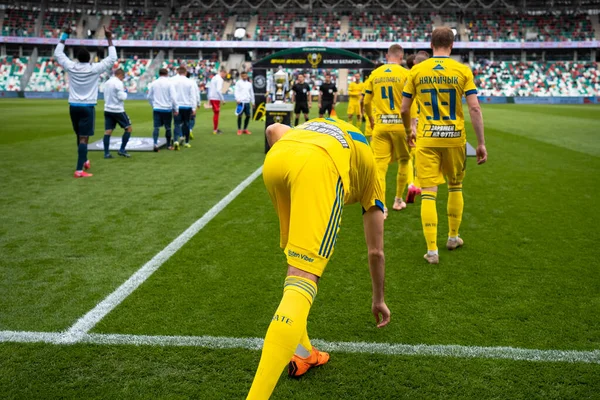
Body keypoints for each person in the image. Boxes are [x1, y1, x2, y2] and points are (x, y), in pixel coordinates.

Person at [247, 117, 391, 399]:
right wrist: (378, 299)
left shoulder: (325, 125)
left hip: (277, 160)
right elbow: (376, 251)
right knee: (303, 276)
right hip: (319, 166)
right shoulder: (371, 172)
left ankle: (304, 353)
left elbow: (272, 130)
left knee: (294, 264)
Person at [401, 27, 487, 264]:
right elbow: (475, 108)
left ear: (431, 44)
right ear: (451, 45)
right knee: (455, 186)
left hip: (427, 139)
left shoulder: (417, 71)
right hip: (455, 138)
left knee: (429, 192)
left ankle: (432, 251)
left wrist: (410, 130)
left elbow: (404, 108)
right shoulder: (462, 70)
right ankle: (452, 237)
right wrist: (480, 143)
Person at [54, 25, 117, 178]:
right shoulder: (94, 68)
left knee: (79, 135)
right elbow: (112, 59)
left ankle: (85, 160)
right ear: (89, 58)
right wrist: (109, 38)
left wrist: (65, 35)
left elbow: (57, 54)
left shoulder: (71, 67)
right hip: (87, 106)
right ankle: (79, 170)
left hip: (73, 106)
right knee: (84, 137)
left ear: (77, 58)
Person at [363, 44, 410, 217]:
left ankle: (381, 207)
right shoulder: (406, 74)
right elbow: (412, 103)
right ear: (401, 56)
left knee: (380, 167)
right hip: (400, 126)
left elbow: (366, 102)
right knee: (404, 161)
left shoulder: (376, 73)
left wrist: (370, 118)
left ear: (386, 55)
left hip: (381, 125)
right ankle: (398, 200)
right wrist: (410, 128)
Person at [404, 52, 430, 203]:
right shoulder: (429, 76)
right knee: (422, 154)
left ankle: (411, 184)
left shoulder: (408, 76)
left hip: (408, 119)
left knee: (408, 156)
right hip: (425, 119)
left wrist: (410, 125)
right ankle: (419, 184)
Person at [102, 68, 132, 159]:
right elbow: (122, 97)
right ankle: (122, 149)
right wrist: (126, 92)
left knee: (108, 131)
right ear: (120, 75)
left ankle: (106, 153)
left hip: (107, 108)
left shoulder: (107, 82)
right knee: (128, 129)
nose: (123, 79)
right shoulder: (118, 83)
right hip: (117, 109)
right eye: (123, 77)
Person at [147, 68, 178, 152]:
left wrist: (153, 105)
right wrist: (176, 108)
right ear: (167, 74)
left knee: (156, 127)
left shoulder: (154, 83)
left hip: (157, 108)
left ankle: (155, 144)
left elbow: (149, 97)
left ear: (159, 74)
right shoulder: (169, 83)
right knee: (168, 128)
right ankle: (168, 145)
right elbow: (173, 97)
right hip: (167, 109)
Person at [171, 66, 198, 149]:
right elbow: (193, 96)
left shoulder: (174, 82)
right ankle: (186, 142)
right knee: (186, 124)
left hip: (177, 106)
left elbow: (172, 95)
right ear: (186, 72)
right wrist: (194, 108)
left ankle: (175, 140)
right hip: (187, 106)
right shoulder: (190, 82)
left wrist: (173, 106)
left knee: (176, 124)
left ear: (178, 72)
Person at [234, 71, 255, 135]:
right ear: (241, 76)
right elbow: (236, 91)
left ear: (247, 76)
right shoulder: (238, 83)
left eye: (245, 76)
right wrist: (237, 99)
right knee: (240, 116)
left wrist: (253, 101)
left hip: (247, 102)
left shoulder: (249, 84)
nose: (244, 77)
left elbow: (251, 93)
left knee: (248, 116)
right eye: (243, 76)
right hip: (241, 102)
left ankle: (245, 129)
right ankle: (239, 129)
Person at [208, 69, 226, 134]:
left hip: (212, 97)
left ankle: (215, 128)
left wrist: (209, 99)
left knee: (215, 113)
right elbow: (218, 90)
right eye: (225, 74)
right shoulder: (220, 79)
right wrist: (222, 99)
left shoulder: (214, 78)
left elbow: (210, 88)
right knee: (216, 114)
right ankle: (215, 130)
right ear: (222, 73)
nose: (224, 76)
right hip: (216, 98)